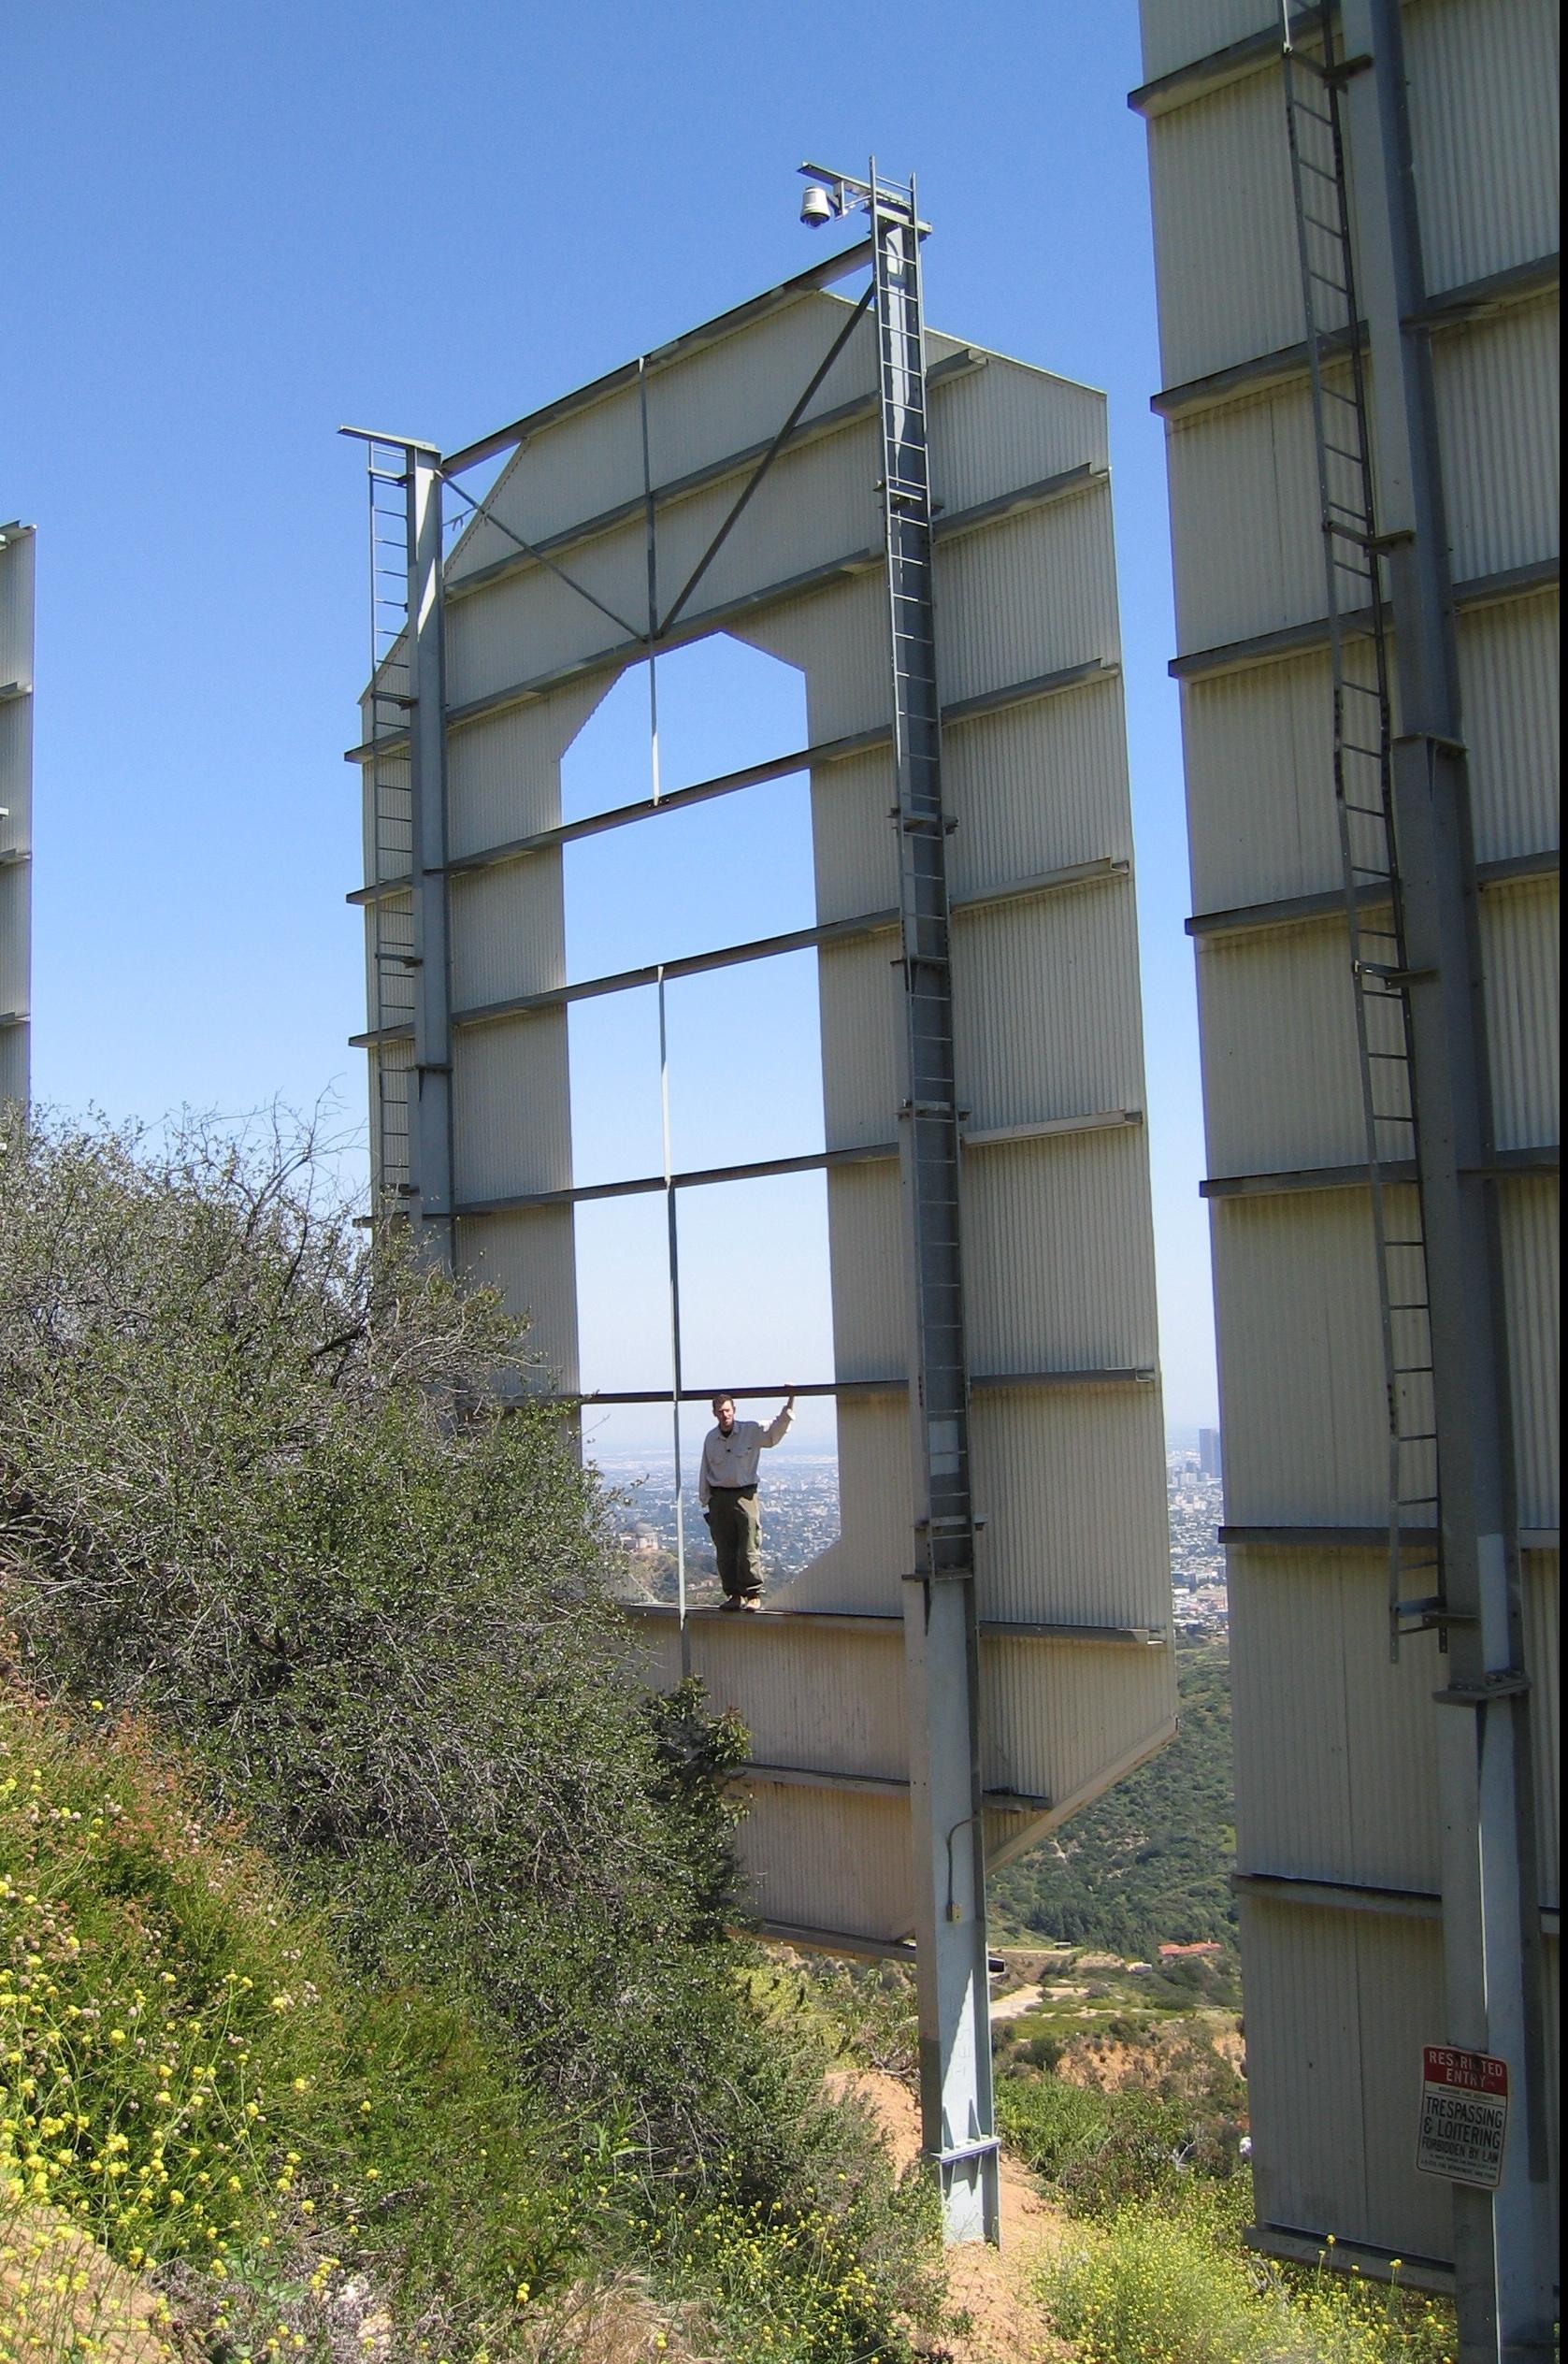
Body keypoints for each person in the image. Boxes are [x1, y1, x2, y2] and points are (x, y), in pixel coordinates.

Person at [698, 1391, 796, 1610]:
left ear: (734, 1411)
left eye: (727, 1410)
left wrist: (791, 1400)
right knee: (724, 1550)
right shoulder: (710, 1438)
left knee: (749, 1546)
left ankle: (753, 1594)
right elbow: (706, 1468)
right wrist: (706, 1498)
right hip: (719, 1498)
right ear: (714, 1413)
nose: (724, 1415)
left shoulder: (750, 1431)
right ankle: (734, 1595)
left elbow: (775, 1430)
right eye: (720, 1411)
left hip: (745, 1495)